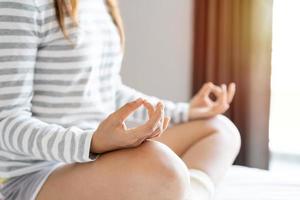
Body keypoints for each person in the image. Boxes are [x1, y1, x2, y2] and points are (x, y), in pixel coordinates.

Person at [0, 0, 241, 199]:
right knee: (163, 166)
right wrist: (91, 142)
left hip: (97, 151)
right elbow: (6, 122)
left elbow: (109, 91)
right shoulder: (22, 5)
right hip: (35, 176)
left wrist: (184, 112)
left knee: (219, 129)